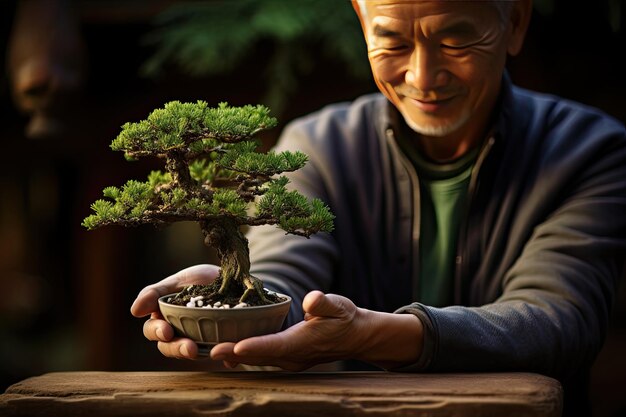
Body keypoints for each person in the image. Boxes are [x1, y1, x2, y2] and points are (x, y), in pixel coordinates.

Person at [130, 1, 626, 415]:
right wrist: (237, 302)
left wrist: (371, 336)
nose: (423, 76)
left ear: (514, 22)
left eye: (455, 41)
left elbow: (557, 321)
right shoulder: (318, 145)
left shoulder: (589, 151)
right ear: (362, 23)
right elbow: (286, 275)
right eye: (392, 42)